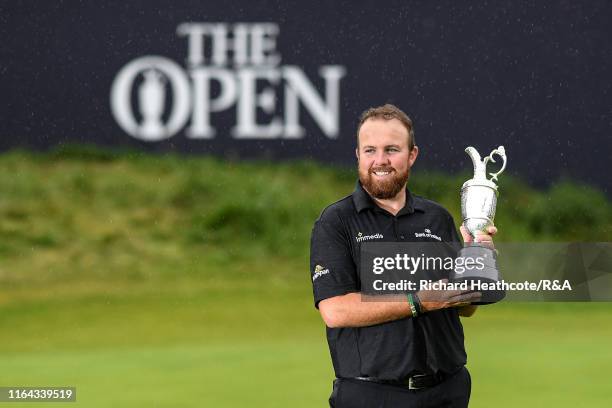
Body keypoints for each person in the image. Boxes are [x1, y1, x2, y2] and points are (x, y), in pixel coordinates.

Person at [309, 104, 497, 408]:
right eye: (370, 150)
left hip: (446, 391)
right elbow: (336, 311)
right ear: (358, 154)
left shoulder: (436, 218)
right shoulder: (336, 221)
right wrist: (417, 301)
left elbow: (463, 309)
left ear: (412, 155)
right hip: (373, 396)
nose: (380, 160)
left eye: (391, 149)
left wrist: (475, 261)